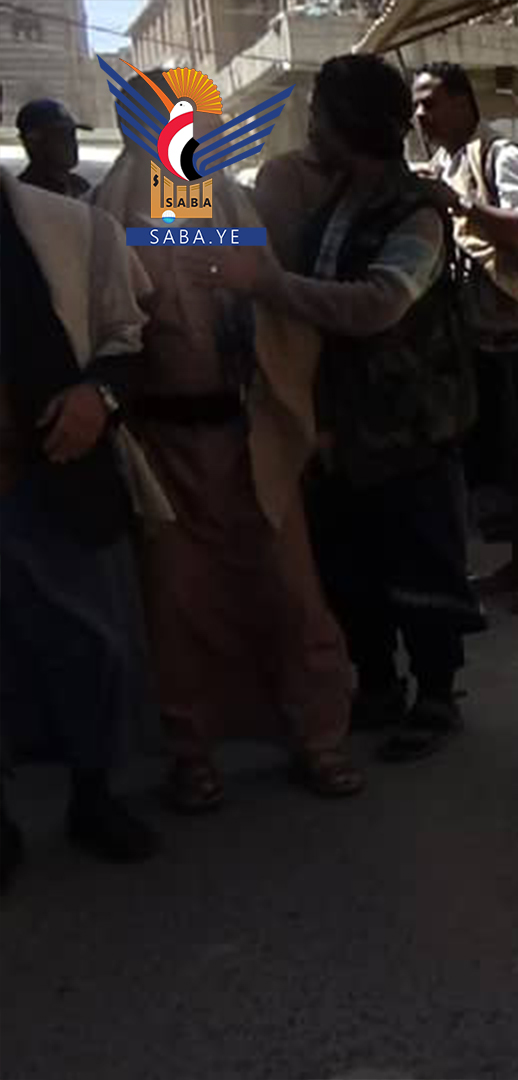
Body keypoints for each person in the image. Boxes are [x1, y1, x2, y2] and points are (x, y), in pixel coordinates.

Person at [200, 54, 482, 764]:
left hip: (406, 423)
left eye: (321, 113)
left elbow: (377, 304)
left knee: (419, 562)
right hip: (343, 425)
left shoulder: (415, 211)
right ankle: (379, 686)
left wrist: (268, 284)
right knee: (354, 569)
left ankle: (436, 696)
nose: (311, 126)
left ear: (345, 122)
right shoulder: (336, 202)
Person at [94, 72, 363, 812]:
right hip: (161, 447)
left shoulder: (230, 205)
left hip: (254, 435)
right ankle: (191, 754)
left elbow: (280, 311)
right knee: (179, 607)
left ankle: (318, 737)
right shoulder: (105, 217)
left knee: (292, 592)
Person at [1, 159, 160, 892]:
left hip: (57, 476)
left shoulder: (67, 225)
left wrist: (98, 397)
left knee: (92, 645)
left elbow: (127, 337)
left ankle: (93, 797)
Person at [412, 61, 518, 614]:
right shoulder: (444, 162)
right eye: (417, 104)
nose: (421, 114)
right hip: (474, 334)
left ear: (461, 102)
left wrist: (459, 203)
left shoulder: (501, 156)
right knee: (497, 457)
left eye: (430, 102)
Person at [15, 97, 92, 199]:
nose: (72, 143)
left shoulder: (80, 186)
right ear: (32, 142)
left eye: (72, 134)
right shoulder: (22, 196)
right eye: (61, 136)